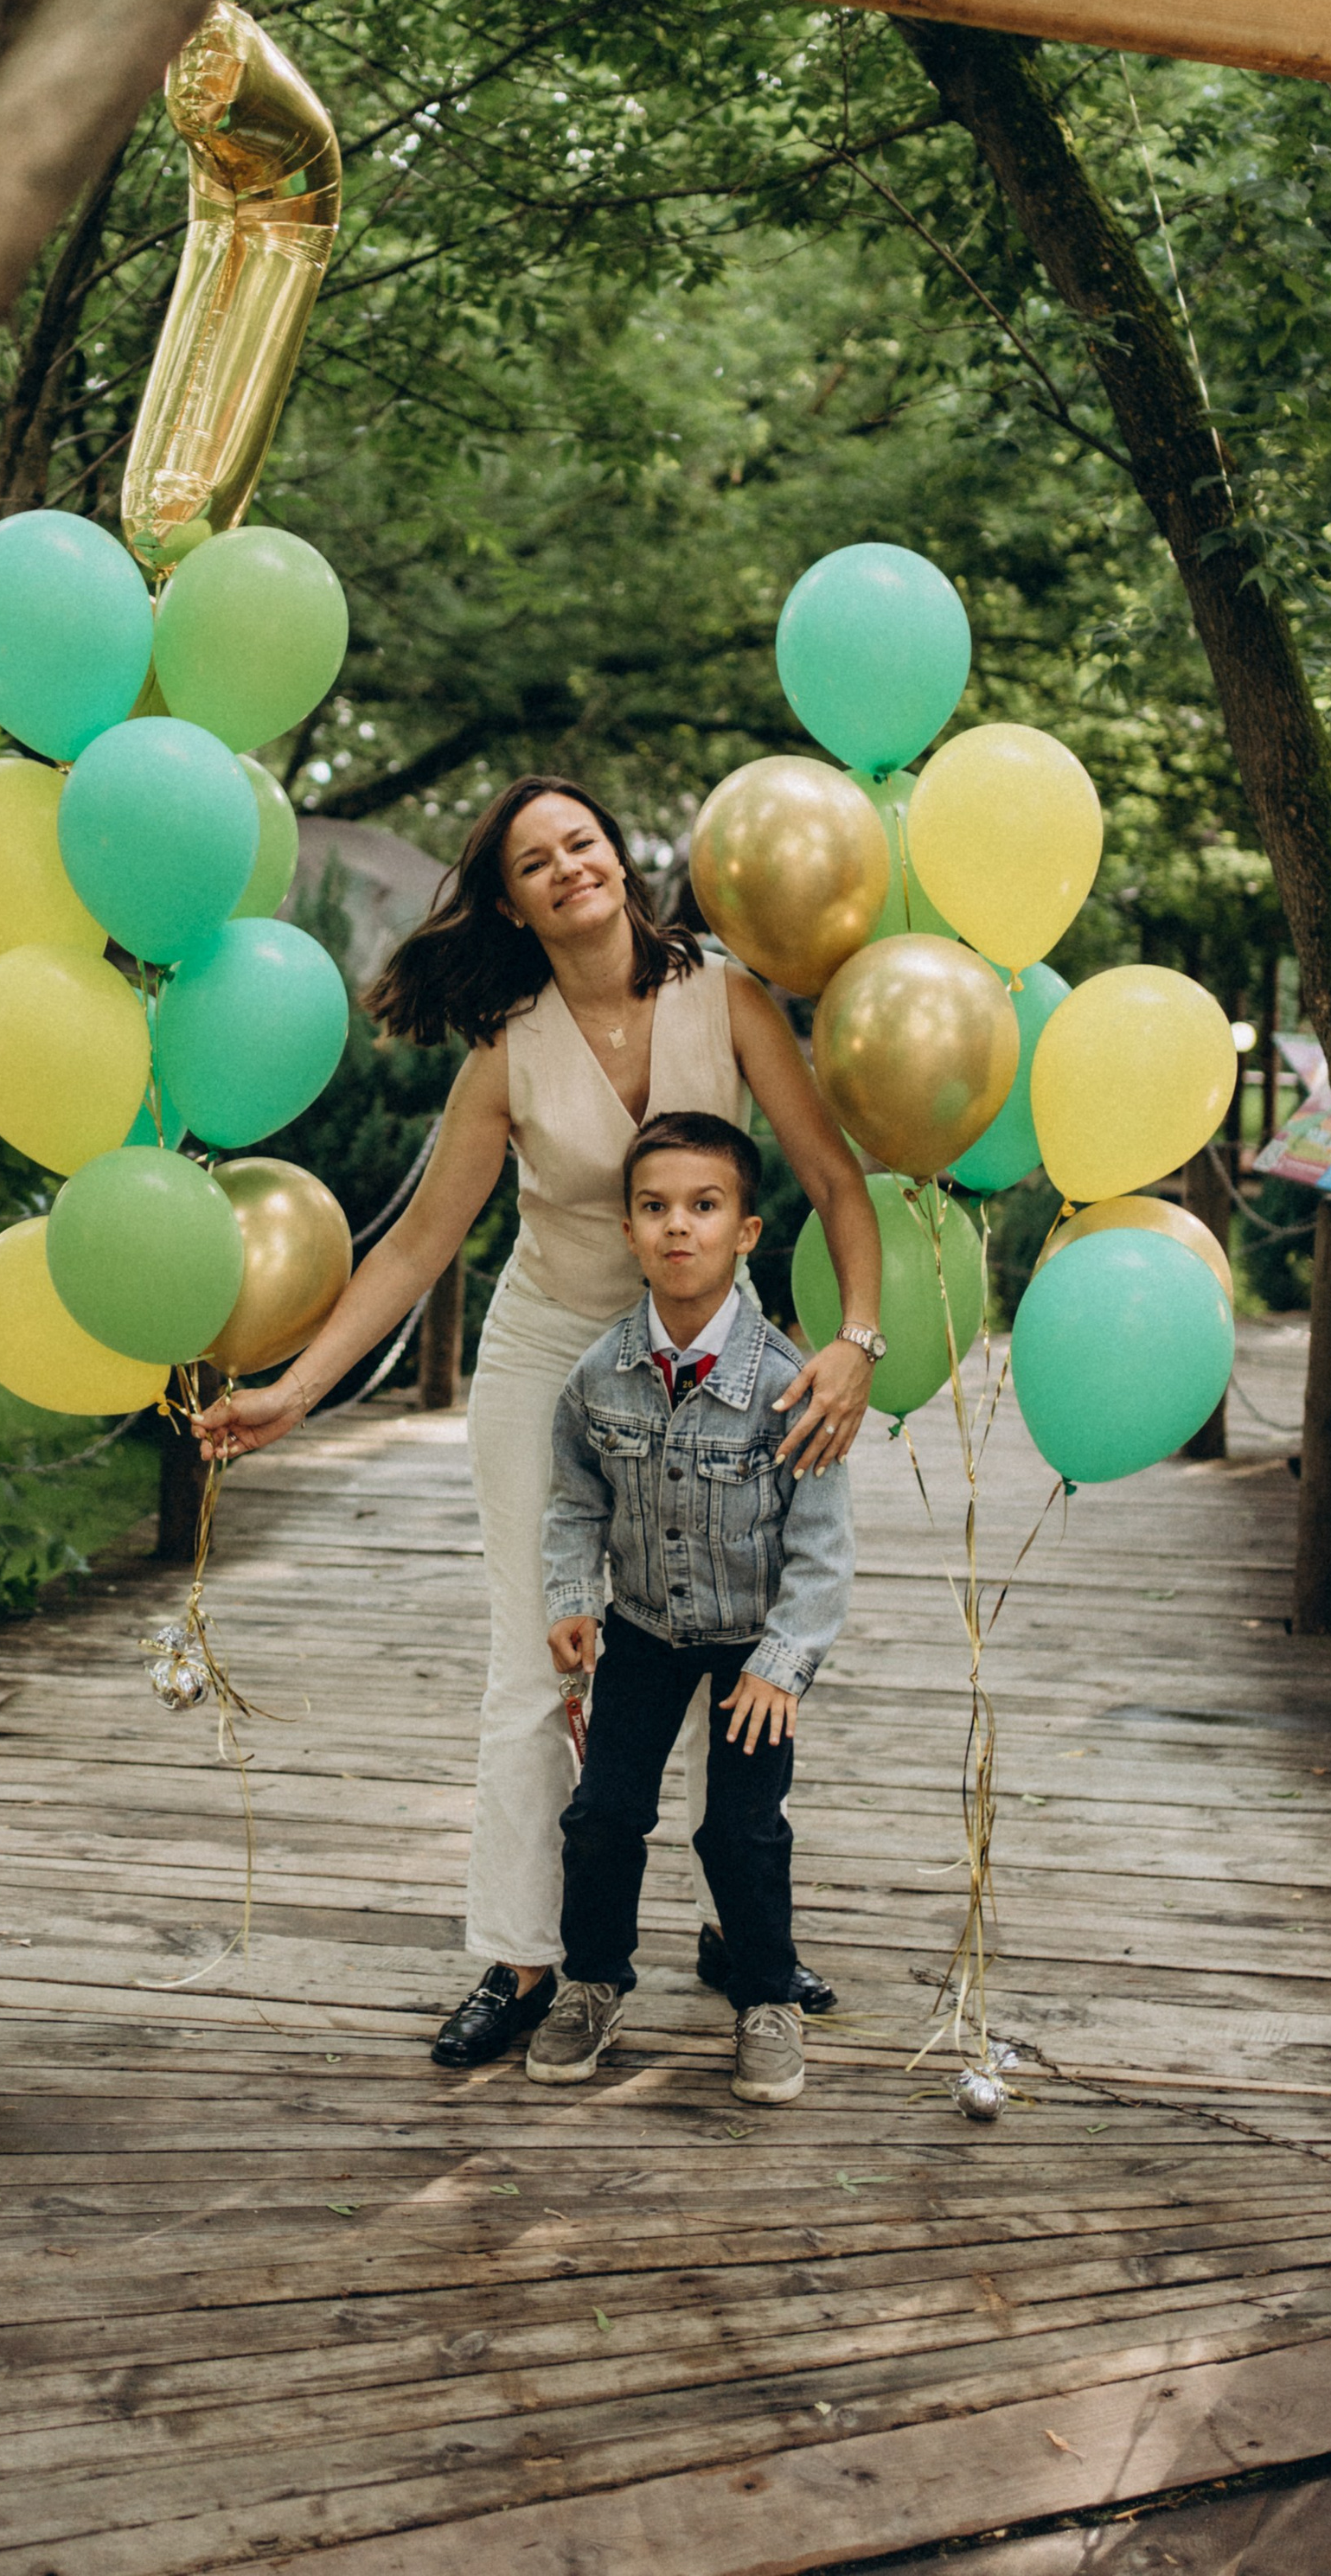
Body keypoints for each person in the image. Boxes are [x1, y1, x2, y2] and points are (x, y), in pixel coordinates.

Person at [213, 774, 886, 2066]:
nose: (570, 866)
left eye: (582, 842)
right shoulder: (506, 1049)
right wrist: (299, 1389)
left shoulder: (723, 993)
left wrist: (855, 1342)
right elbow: (418, 1247)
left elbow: (831, 1178)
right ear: (514, 906)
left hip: (713, 1360)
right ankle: (522, 1957)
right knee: (538, 1666)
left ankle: (736, 1933)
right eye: (535, 861)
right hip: (548, 1365)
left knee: (727, 1646)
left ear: (618, 864)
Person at [528, 1113, 854, 2106]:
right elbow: (577, 1498)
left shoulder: (790, 1387)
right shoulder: (598, 1379)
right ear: (628, 1230)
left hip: (753, 1642)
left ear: (746, 1232)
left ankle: (765, 1998)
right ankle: (592, 1981)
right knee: (601, 1814)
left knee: (741, 1830)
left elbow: (821, 1542)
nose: (680, 1227)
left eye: (705, 1207)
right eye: (656, 1207)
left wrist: (782, 1662)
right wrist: (575, 1597)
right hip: (645, 1633)